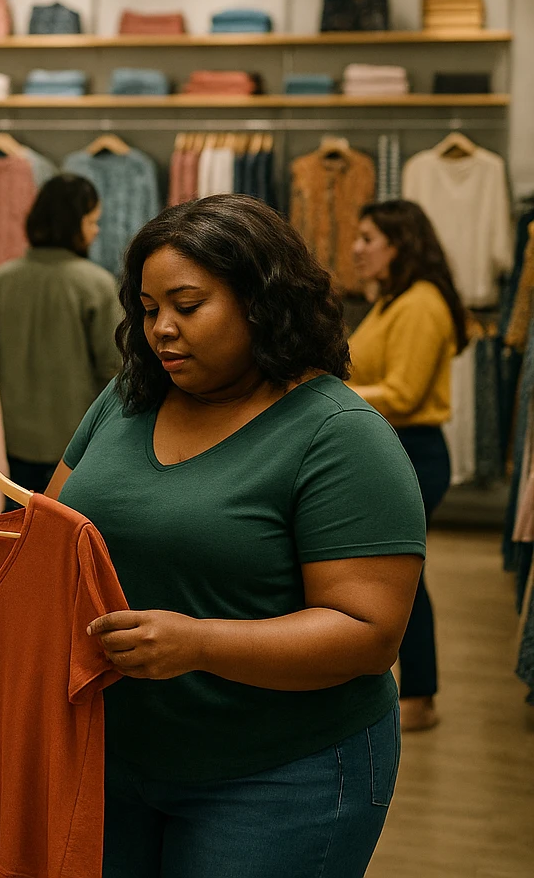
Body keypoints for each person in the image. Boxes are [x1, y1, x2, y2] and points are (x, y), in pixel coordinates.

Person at [45, 196, 425, 878]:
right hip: (109, 756)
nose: (162, 329)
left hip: (279, 775)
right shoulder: (127, 399)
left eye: (187, 307)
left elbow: (369, 634)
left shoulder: (339, 435)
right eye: (149, 307)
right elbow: (53, 531)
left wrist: (199, 643)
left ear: (261, 301)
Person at [348, 200, 467, 732]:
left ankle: (419, 697)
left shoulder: (419, 304)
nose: (356, 247)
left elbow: (403, 392)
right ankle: (416, 692)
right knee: (398, 577)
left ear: (400, 245)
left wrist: (320, 393)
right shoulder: (393, 302)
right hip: (397, 447)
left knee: (401, 579)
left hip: (413, 449)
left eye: (368, 237)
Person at [0, 173, 120, 494]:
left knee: (16, 535)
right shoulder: (95, 284)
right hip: (75, 443)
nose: (96, 231)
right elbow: (113, 367)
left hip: (6, 441)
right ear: (73, 223)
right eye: (92, 221)